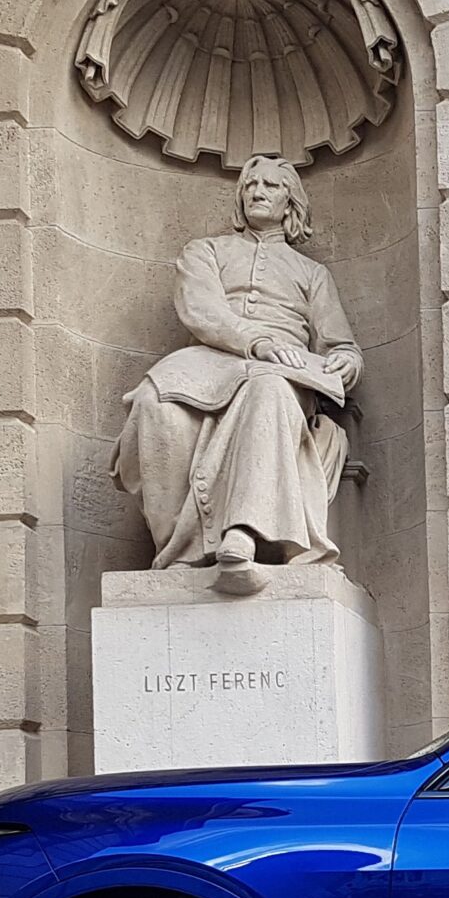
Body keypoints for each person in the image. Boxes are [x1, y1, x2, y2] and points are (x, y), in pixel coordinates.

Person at [110, 154, 363, 595]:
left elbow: (339, 343)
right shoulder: (205, 251)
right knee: (154, 402)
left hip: (284, 369)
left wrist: (347, 360)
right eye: (250, 185)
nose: (257, 192)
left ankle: (242, 534)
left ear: (290, 203)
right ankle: (180, 551)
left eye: (270, 186)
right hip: (210, 360)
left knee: (268, 389)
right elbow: (200, 309)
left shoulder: (312, 274)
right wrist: (254, 341)